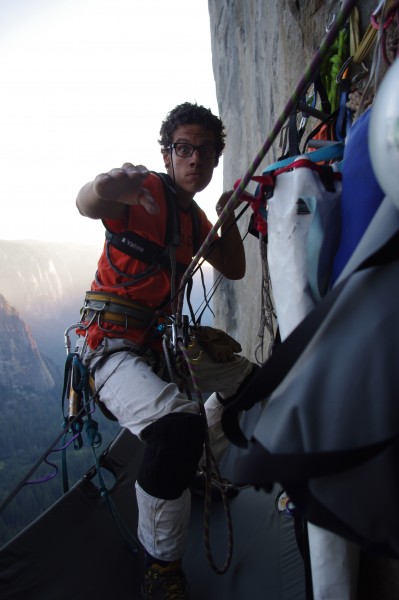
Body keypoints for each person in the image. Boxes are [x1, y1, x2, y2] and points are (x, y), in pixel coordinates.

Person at [74, 102, 256, 599]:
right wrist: (102, 189)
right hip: (109, 347)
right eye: (184, 149)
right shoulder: (144, 193)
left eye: (205, 150)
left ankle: (193, 468)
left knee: (251, 382)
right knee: (175, 428)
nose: (194, 159)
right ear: (167, 154)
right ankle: (162, 570)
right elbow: (88, 204)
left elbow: (235, 268)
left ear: (215, 158)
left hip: (157, 344)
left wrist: (223, 214)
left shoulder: (195, 220)